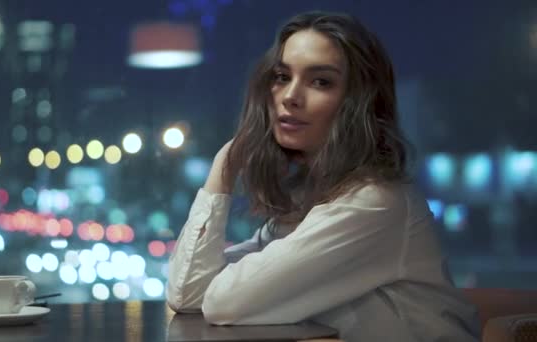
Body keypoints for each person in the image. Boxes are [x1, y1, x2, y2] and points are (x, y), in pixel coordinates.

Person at [166, 11, 481, 341]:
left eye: (321, 82)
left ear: (356, 102)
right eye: (281, 77)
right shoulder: (307, 201)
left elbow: (223, 304)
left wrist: (226, 166)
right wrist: (224, 169)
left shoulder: (374, 203)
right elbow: (187, 296)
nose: (290, 96)